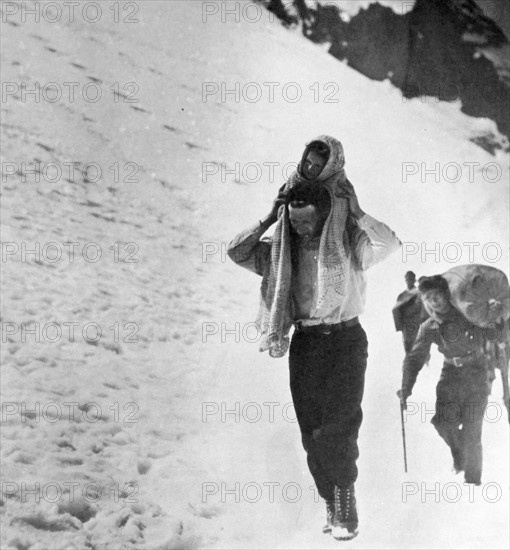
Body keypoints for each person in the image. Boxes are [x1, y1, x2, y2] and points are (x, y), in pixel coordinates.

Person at [228, 144, 401, 540]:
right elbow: (237, 251)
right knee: (311, 433)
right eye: (296, 220)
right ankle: (331, 500)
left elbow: (388, 246)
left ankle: (346, 506)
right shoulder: (280, 253)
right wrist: (271, 217)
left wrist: (355, 212)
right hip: (306, 345)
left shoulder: (349, 245)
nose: (303, 229)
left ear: (324, 216)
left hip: (345, 342)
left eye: (309, 221)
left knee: (337, 429)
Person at [397, 275, 491, 485]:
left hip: (476, 372)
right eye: (428, 298)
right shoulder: (430, 326)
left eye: (436, 296)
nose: (433, 302)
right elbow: (414, 359)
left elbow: (493, 326)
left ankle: (472, 482)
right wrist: (406, 389)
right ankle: (459, 453)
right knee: (442, 423)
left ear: (446, 294)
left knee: (472, 430)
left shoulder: (468, 314)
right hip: (451, 375)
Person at [392, 271, 429, 354]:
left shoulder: (419, 293)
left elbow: (425, 308)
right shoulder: (402, 295)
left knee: (421, 349)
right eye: (407, 279)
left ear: (414, 280)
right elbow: (397, 310)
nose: (409, 281)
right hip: (406, 326)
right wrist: (400, 326)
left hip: (418, 324)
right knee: (408, 349)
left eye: (411, 279)